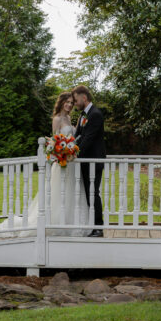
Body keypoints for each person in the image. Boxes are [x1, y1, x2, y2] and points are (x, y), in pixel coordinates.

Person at [0, 91, 84, 236]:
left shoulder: (68, 117)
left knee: (71, 193)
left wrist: (71, 149)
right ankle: (56, 223)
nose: (69, 105)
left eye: (71, 103)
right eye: (67, 102)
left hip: (71, 162)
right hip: (62, 161)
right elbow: (55, 142)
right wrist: (63, 150)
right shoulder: (57, 119)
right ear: (61, 102)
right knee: (58, 193)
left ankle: (70, 223)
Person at [72, 85, 107, 237]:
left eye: (76, 100)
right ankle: (91, 225)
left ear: (83, 98)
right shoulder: (83, 116)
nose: (75, 103)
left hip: (93, 162)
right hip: (84, 162)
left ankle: (98, 228)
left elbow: (88, 140)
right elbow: (78, 137)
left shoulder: (95, 114)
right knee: (87, 194)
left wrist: (74, 155)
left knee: (93, 193)